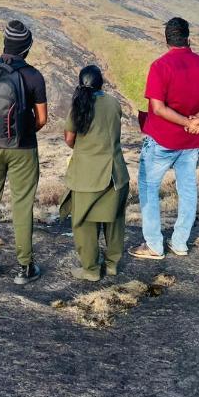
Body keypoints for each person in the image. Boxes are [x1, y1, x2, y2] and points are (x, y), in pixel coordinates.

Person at [129, 17, 199, 260]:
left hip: (162, 140)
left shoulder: (160, 66)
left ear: (167, 39)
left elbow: (159, 108)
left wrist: (187, 121)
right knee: (187, 190)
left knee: (149, 189)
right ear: (188, 37)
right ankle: (180, 243)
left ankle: (154, 245)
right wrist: (197, 119)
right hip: (191, 142)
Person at [0, 19, 48, 285]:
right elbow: (42, 118)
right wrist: (24, 131)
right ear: (26, 48)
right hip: (22, 147)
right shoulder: (33, 75)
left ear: (5, 43)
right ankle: (24, 267)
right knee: (22, 204)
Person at [60, 65, 129, 282]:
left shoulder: (78, 105)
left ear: (81, 83)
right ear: (102, 83)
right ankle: (111, 265)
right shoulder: (113, 102)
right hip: (116, 173)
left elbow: (69, 139)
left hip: (87, 175)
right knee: (114, 220)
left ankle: (90, 270)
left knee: (84, 223)